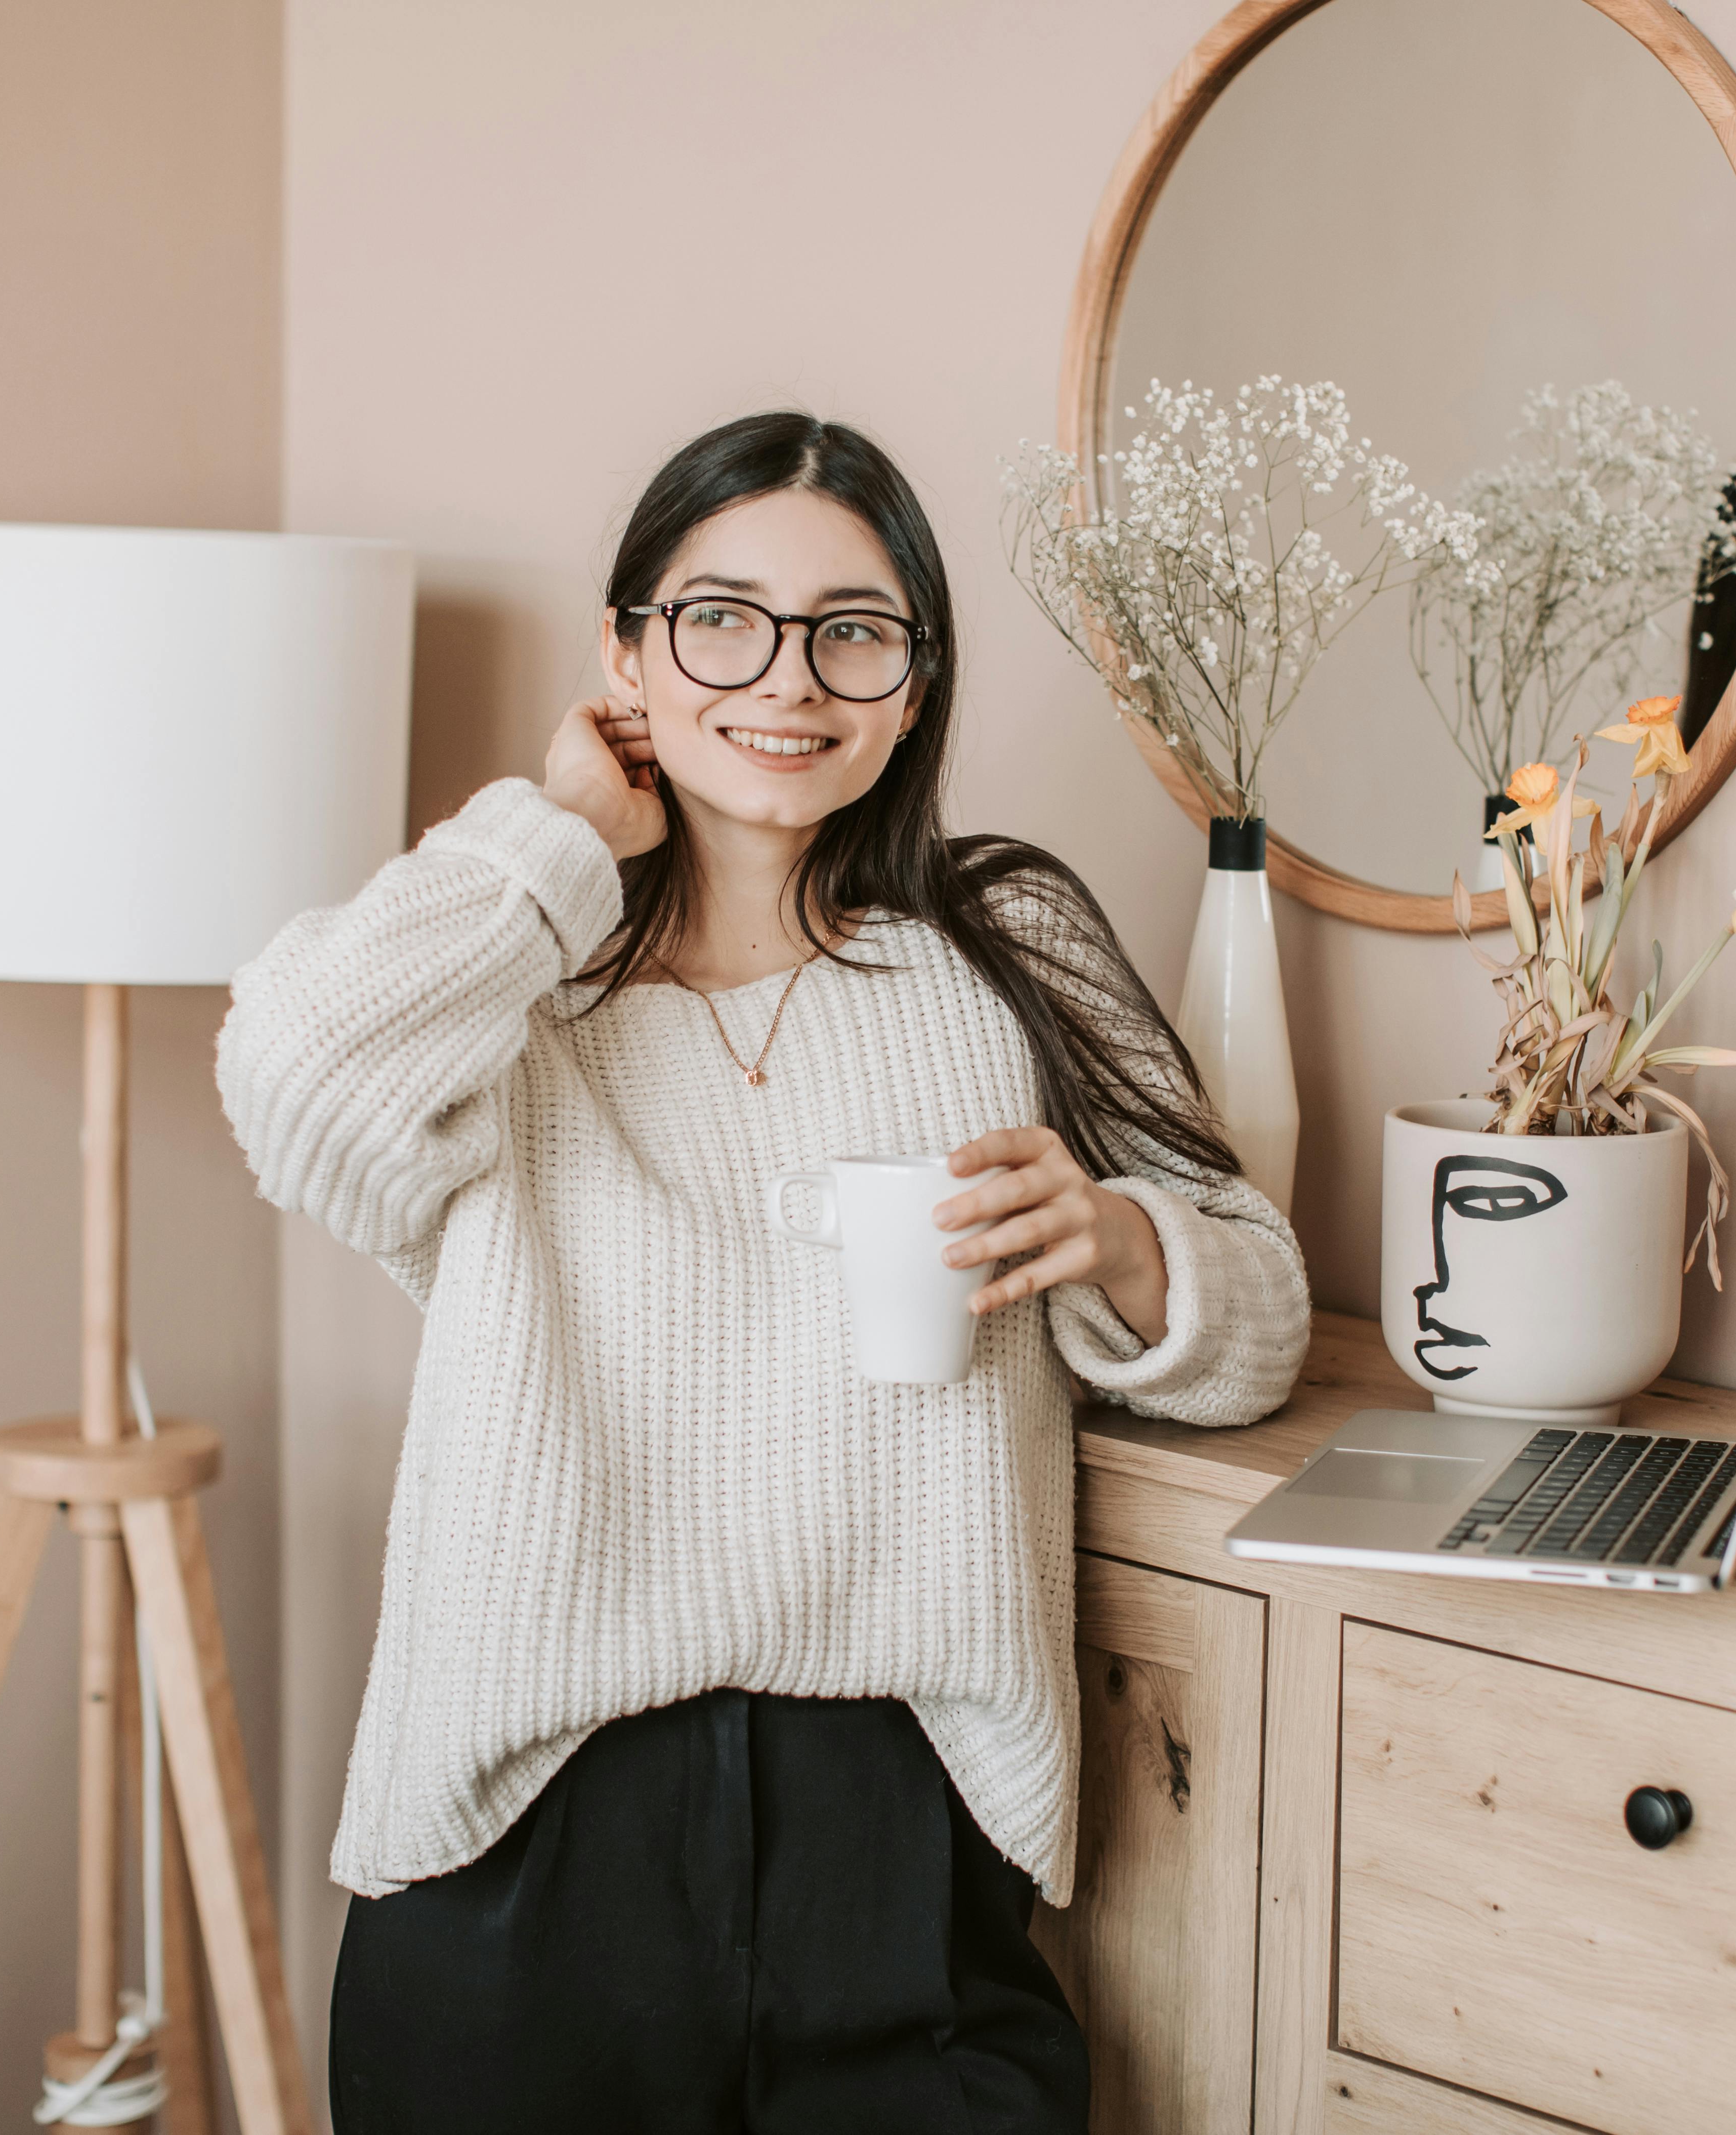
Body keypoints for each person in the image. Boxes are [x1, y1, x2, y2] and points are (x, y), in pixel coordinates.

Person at [216, 410, 1309, 2133]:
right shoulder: (515, 978)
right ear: (628, 650)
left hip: (903, 1860)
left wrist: (1117, 1239)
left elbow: (1261, 1310)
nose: (788, 680)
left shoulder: (1005, 944)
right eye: (719, 618)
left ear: (915, 681)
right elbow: (289, 1087)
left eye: (854, 632)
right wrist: (558, 836)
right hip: (531, 1853)